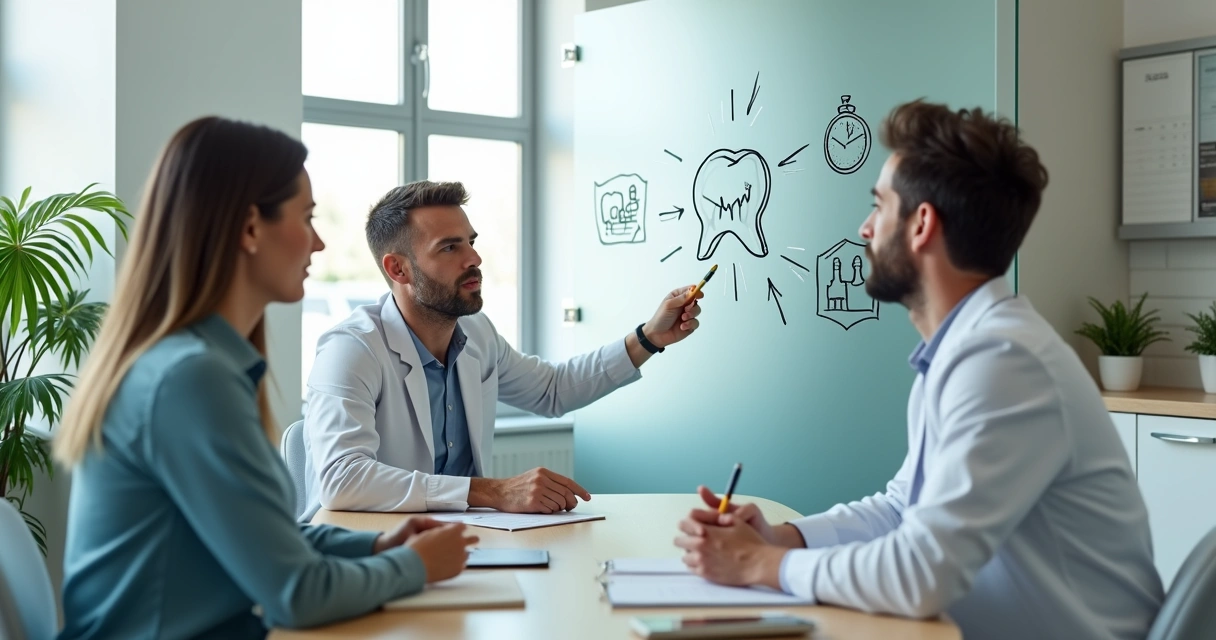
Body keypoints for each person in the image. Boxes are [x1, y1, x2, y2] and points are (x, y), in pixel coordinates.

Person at [673, 101, 1164, 640]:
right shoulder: (966, 351)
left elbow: (921, 574)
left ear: (921, 224)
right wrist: (781, 539)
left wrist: (755, 565)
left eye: (879, 207)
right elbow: (901, 508)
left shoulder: (1004, 362)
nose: (864, 229)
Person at [53, 117, 477, 639]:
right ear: (251, 228)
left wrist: (375, 545)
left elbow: (267, 540)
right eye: (307, 217)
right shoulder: (191, 380)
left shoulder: (193, 364)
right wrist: (416, 567)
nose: (319, 244)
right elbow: (296, 594)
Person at [302, 180, 703, 518]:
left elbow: (553, 390)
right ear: (397, 269)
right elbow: (341, 479)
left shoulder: (477, 333)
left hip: (464, 542)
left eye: (471, 243)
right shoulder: (350, 350)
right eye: (449, 248)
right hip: (371, 551)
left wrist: (649, 337)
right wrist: (491, 492)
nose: (474, 259)